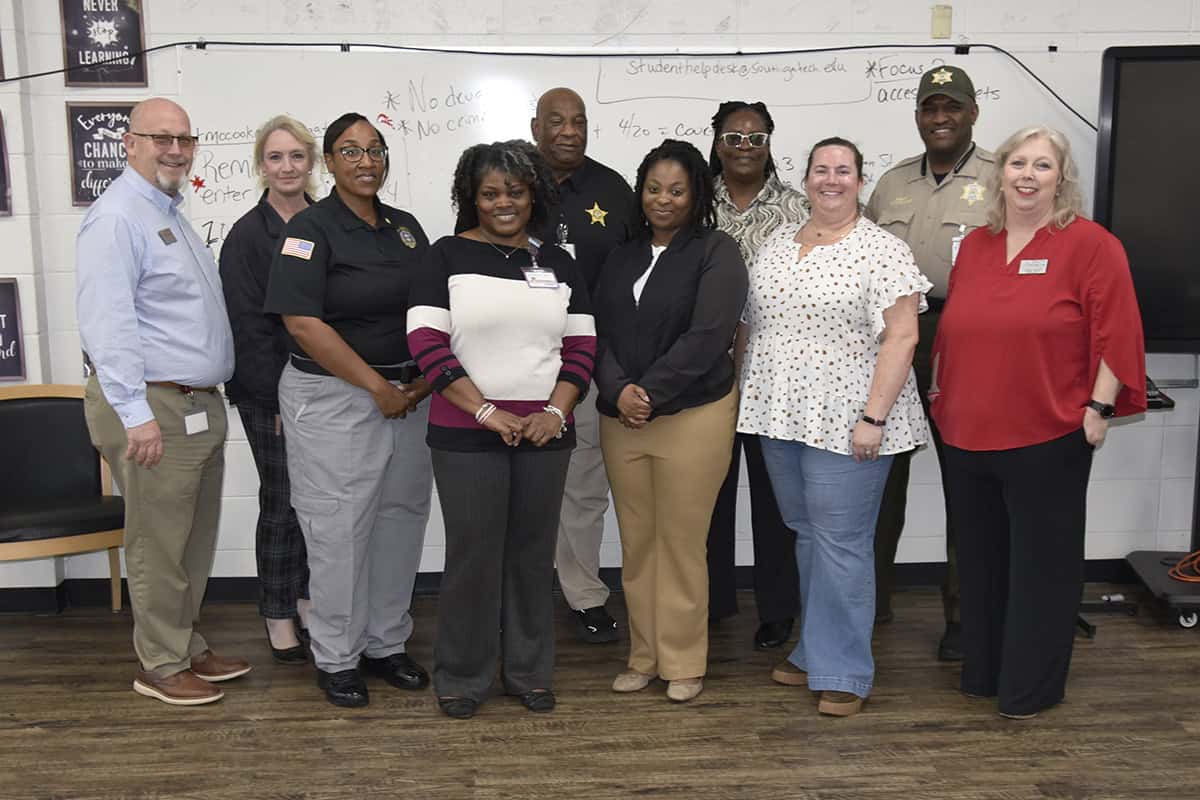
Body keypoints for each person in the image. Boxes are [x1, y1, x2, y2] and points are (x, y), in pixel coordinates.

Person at [930, 125, 1145, 719]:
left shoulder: (1092, 245)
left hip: (1048, 434)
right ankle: (986, 671)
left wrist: (1100, 408)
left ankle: (1030, 688)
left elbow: (1118, 333)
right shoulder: (975, 244)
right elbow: (959, 330)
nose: (1027, 175)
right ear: (1000, 174)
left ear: (1061, 177)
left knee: (1041, 571)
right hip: (967, 435)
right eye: (1017, 163)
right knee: (980, 565)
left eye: (1042, 166)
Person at [738, 137, 931, 717]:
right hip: (780, 417)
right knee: (806, 533)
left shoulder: (882, 249)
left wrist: (873, 418)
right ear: (806, 179)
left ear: (858, 179)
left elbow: (903, 336)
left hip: (850, 421)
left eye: (842, 170)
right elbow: (751, 325)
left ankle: (846, 669)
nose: (831, 180)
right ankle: (813, 651)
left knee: (842, 543)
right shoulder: (775, 244)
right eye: (821, 170)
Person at [407, 140, 595, 719]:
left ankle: (529, 672)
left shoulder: (559, 264)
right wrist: (487, 412)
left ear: (533, 193)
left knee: (533, 555)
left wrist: (555, 413)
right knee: (473, 554)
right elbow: (425, 346)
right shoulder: (443, 257)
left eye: (515, 191)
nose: (504, 203)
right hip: (466, 433)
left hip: (545, 432)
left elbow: (582, 348)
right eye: (490, 193)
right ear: (472, 197)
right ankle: (462, 677)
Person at [77, 97, 249, 706]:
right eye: (161, 138)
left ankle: (184, 642)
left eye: (184, 138)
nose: (175, 149)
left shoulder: (164, 212)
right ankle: (159, 663)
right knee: (156, 541)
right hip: (153, 407)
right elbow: (109, 324)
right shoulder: (118, 217)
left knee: (192, 539)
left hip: (191, 403)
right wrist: (135, 415)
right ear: (129, 144)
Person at [264, 112, 433, 708]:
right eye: (350, 151)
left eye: (375, 149)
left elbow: (430, 310)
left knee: (399, 519)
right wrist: (375, 387)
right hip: (336, 398)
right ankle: (337, 655)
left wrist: (415, 383)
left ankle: (386, 642)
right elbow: (302, 322)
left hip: (408, 397)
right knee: (338, 529)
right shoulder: (310, 230)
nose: (366, 161)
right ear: (329, 162)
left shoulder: (406, 228)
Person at [594, 139, 747, 704]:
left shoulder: (717, 251)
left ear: (695, 194)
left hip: (693, 417)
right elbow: (598, 331)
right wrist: (617, 390)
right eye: (654, 188)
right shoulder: (621, 254)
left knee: (681, 543)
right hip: (622, 418)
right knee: (638, 543)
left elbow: (709, 337)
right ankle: (644, 655)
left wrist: (649, 393)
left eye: (676, 190)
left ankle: (684, 661)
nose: (663, 199)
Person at [865, 64, 994, 661]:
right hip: (894, 338)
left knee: (964, 482)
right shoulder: (890, 185)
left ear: (972, 113)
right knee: (878, 483)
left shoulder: (1001, 179)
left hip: (966, 340)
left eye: (951, 107)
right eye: (929, 108)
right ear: (917, 116)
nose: (939, 118)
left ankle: (964, 617)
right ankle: (870, 602)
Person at [531, 87, 638, 644]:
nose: (569, 131)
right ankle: (516, 593)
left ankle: (584, 594)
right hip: (518, 367)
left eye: (579, 121)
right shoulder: (510, 182)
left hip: (590, 362)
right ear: (534, 127)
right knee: (517, 486)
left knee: (584, 487)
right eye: (556, 121)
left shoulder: (614, 190)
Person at [704, 100, 807, 649]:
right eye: (734, 137)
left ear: (770, 143)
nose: (745, 147)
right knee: (709, 494)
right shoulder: (695, 204)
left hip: (776, 376)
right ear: (717, 142)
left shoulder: (798, 208)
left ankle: (777, 609)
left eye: (756, 137)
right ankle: (715, 601)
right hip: (704, 377)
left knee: (776, 499)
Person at [219, 115, 317, 664]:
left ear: (311, 163)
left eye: (296, 156)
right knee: (281, 502)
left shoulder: (325, 223)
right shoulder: (247, 236)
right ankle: (277, 614)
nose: (286, 167)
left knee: (315, 504)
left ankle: (305, 598)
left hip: (323, 392)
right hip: (270, 394)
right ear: (262, 165)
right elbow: (248, 329)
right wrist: (282, 397)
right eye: (276, 157)